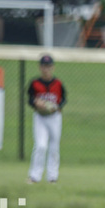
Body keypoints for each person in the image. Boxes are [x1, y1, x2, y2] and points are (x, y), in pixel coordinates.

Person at [27, 54, 66, 184]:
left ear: (53, 67)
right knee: (41, 146)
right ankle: (34, 176)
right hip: (40, 117)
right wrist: (36, 103)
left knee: (54, 147)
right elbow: (30, 99)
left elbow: (63, 99)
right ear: (40, 67)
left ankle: (52, 177)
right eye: (44, 66)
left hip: (54, 118)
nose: (46, 69)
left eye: (48, 66)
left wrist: (58, 107)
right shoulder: (35, 83)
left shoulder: (58, 83)